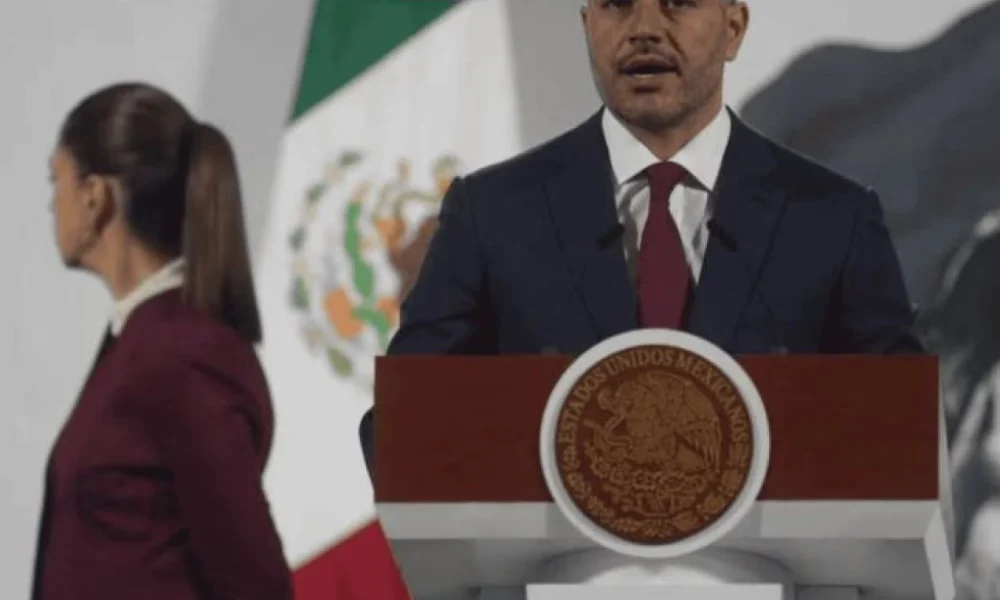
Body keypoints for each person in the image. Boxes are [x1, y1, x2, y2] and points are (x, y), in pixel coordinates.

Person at [359, 0, 923, 470]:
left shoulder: (834, 218)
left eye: (677, 3)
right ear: (587, 25)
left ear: (733, 27)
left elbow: (902, 431)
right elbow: (400, 428)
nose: (645, 28)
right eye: (617, 5)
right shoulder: (490, 213)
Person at [31, 83, 292, 600]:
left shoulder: (183, 354)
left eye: (55, 179)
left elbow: (256, 584)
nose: (51, 203)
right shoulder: (142, 341)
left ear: (94, 195)